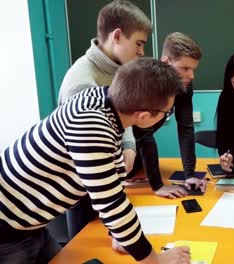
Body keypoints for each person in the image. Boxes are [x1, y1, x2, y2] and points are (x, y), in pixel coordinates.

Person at [0, 58, 191, 264]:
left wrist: (119, 234)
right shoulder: (91, 124)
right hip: (8, 231)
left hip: (32, 225)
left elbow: (109, 175)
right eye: (167, 111)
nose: (167, 115)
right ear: (143, 117)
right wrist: (156, 260)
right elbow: (111, 203)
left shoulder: (105, 102)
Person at [57, 0, 152, 240]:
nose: (142, 52)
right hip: (85, 190)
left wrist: (129, 146)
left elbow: (122, 112)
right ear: (117, 36)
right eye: (138, 43)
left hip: (105, 181)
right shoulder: (81, 82)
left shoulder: (118, 71)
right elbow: (90, 159)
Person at [126, 32, 206, 199]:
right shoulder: (145, 84)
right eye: (185, 68)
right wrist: (157, 186)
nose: (191, 76)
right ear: (166, 62)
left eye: (193, 69)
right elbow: (143, 134)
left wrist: (189, 174)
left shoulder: (184, 84)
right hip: (122, 148)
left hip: (140, 145)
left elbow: (186, 128)